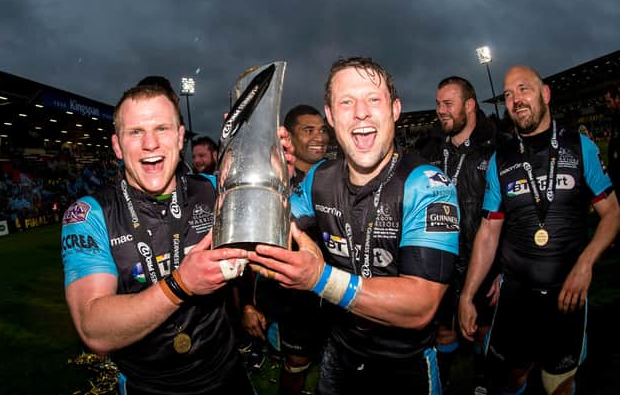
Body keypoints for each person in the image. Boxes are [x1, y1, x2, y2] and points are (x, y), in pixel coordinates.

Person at [61, 82, 294, 394]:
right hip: (149, 386)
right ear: (117, 146)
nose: (151, 143)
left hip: (226, 375)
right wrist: (181, 284)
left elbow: (283, 227)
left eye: (162, 128)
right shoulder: (89, 215)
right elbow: (93, 328)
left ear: (181, 136)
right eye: (135, 132)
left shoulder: (215, 190)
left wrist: (274, 167)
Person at [247, 56, 460, 395]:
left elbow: (421, 305)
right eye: (347, 102)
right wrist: (264, 179)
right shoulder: (320, 177)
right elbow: (270, 232)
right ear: (331, 116)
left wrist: (320, 279)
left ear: (394, 110)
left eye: (373, 99)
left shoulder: (429, 184)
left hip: (405, 364)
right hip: (341, 354)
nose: (361, 112)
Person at [458, 65, 620, 395]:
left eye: (523, 89)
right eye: (508, 94)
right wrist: (467, 294)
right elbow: (489, 232)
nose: (515, 100)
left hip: (567, 294)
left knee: (558, 382)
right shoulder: (500, 160)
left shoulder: (580, 147)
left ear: (545, 94)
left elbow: (613, 213)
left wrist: (585, 264)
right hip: (516, 295)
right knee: (512, 374)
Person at [240, 104, 330, 394]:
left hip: (331, 295)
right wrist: (247, 303)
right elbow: (245, 246)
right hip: (290, 301)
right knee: (296, 366)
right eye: (309, 130)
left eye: (322, 130)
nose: (319, 137)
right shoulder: (269, 181)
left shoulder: (336, 177)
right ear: (288, 137)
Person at [418, 76, 499, 394]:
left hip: (483, 261)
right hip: (440, 262)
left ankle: (482, 381)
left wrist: (502, 269)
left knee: (480, 329)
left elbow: (511, 216)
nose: (440, 110)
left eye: (448, 103)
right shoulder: (429, 148)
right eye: (438, 103)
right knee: (444, 331)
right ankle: (445, 383)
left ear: (469, 105)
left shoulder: (496, 148)